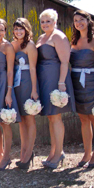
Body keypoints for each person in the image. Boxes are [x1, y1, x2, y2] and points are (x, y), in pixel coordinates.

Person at [36, 9, 76, 169]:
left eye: (48, 21)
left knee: (56, 116)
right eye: (43, 21)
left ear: (55, 21)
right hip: (44, 79)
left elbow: (65, 61)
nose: (45, 24)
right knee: (51, 117)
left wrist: (61, 82)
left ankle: (59, 153)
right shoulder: (41, 38)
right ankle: (53, 152)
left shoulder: (58, 36)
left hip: (56, 79)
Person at [70, 10, 94, 169]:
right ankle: (87, 153)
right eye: (76, 21)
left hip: (92, 83)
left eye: (81, 19)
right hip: (76, 83)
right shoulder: (74, 41)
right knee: (83, 119)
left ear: (88, 20)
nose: (78, 23)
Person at [0, 19, 21, 171]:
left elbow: (10, 70)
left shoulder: (8, 46)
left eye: (2, 30)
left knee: (4, 121)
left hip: (3, 83)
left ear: (5, 31)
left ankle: (7, 156)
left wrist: (9, 92)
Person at [11, 18, 39, 170]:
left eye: (21, 29)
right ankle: (23, 152)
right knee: (21, 119)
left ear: (26, 29)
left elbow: (34, 68)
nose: (18, 32)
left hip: (28, 82)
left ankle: (29, 153)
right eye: (16, 29)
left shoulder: (30, 46)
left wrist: (34, 89)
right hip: (16, 84)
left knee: (29, 118)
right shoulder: (12, 44)